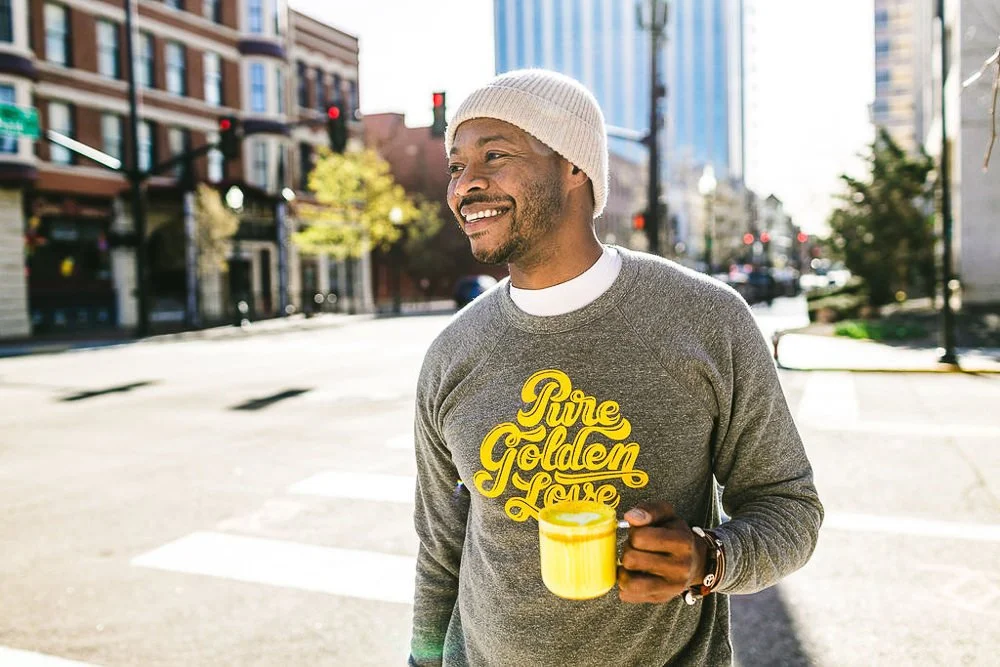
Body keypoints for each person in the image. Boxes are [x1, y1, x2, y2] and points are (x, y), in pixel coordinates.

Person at [409, 69, 823, 667]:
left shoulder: (707, 319)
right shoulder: (451, 355)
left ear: (575, 166)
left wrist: (708, 561)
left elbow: (789, 507)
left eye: (494, 156)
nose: (465, 185)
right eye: (455, 166)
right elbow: (440, 552)